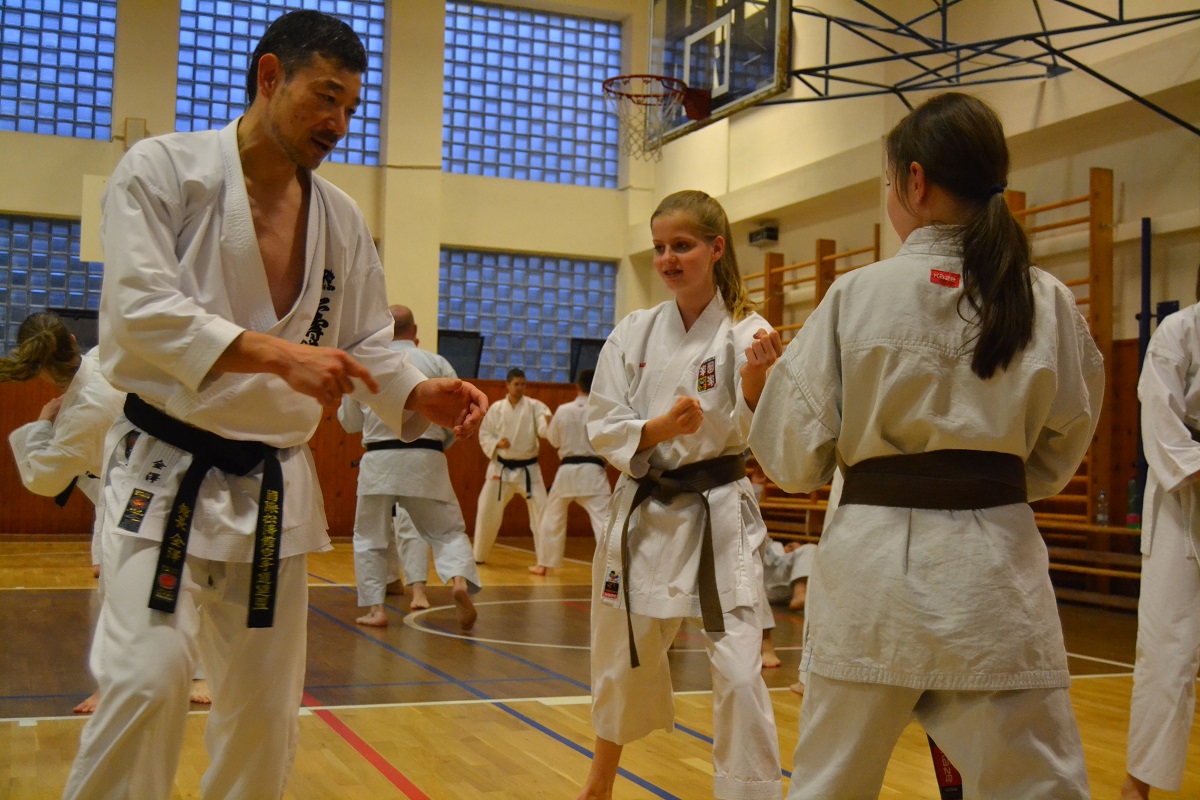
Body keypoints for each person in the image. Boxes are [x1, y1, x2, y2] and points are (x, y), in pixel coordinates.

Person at [62, 11, 487, 800]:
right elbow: (138, 310)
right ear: (268, 77)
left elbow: (366, 344)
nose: (339, 122)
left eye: (351, 106)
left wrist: (415, 391)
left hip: (272, 489)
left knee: (264, 715)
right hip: (164, 473)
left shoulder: (342, 219)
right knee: (147, 681)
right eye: (325, 96)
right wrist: (277, 354)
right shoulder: (165, 170)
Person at [749, 92, 1103, 799]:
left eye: (888, 182)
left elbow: (791, 462)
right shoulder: (1046, 299)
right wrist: (991, 483)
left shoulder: (857, 296)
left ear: (915, 181)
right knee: (1039, 788)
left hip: (871, 581)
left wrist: (762, 392)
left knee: (830, 787)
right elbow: (1064, 442)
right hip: (995, 579)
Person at [576, 190, 784, 800]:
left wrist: (755, 381)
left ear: (716, 249)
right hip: (645, 510)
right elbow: (602, 420)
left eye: (682, 246)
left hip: (720, 513)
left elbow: (767, 428)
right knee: (622, 653)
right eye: (660, 247)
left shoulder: (749, 331)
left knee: (741, 671)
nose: (667, 258)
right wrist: (659, 428)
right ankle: (598, 784)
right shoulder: (634, 331)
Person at [2, 313, 214, 713]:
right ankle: (157, 676)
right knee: (172, 580)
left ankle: (122, 682)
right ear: (71, 339)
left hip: (143, 488)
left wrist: (42, 425)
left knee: (125, 587)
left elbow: (43, 478)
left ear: (38, 367)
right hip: (153, 479)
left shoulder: (82, 411)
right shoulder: (106, 357)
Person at [338, 304, 480, 631]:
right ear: (414, 332)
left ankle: (376, 609)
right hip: (427, 458)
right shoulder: (436, 363)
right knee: (447, 530)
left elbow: (350, 422)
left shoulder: (366, 363)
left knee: (370, 536)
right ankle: (458, 582)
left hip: (379, 460)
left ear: (384, 331)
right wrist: (440, 444)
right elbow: (458, 417)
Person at [1121, 265, 1200, 800]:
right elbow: (1160, 419)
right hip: (1181, 500)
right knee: (1168, 648)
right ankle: (1137, 787)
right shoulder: (1179, 331)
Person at [530, 368, 611, 575]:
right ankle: (613, 565)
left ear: (577, 387)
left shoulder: (563, 410)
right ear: (597, 385)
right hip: (593, 472)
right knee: (604, 521)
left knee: (552, 517)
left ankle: (543, 564)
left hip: (566, 472)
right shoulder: (602, 411)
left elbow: (554, 440)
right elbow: (609, 443)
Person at [472, 367, 552, 563]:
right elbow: (485, 434)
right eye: (516, 384)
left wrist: (549, 424)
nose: (520, 387)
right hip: (501, 469)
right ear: (507, 385)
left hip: (529, 470)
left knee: (543, 512)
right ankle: (478, 556)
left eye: (523, 384)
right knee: (486, 510)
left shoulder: (535, 406)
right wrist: (496, 443)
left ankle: (545, 560)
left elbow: (544, 430)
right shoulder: (496, 408)